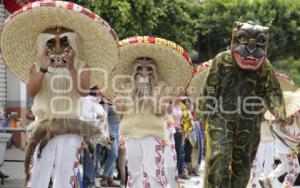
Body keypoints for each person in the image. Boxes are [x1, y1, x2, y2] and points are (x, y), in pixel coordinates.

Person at [0, 2, 118, 187]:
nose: (57, 47)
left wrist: (71, 68)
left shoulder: (81, 65)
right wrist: (43, 69)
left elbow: (83, 91)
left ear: (71, 42)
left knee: (66, 176)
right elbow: (31, 90)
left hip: (71, 127)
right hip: (43, 127)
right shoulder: (37, 65)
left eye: (63, 41)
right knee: (37, 176)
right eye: (51, 42)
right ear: (44, 44)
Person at [199, 21, 286, 188]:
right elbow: (210, 87)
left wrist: (277, 110)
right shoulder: (222, 59)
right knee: (219, 157)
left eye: (259, 42)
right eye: (244, 40)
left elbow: (273, 90)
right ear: (235, 38)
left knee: (243, 165)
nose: (251, 49)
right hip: (221, 117)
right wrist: (203, 112)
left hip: (250, 121)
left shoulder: (265, 66)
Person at [109, 36, 193, 188]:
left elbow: (161, 111)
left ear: (153, 70)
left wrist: (147, 93)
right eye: (140, 68)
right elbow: (119, 108)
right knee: (134, 175)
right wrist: (131, 92)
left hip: (152, 134)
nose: (144, 71)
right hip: (131, 135)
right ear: (134, 70)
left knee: (154, 174)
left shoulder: (160, 87)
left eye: (148, 68)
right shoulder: (127, 86)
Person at [81, 86, 109, 188]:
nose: (102, 91)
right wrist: (97, 116)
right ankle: (88, 182)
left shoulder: (98, 102)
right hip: (89, 134)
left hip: (98, 134)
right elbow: (83, 115)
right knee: (89, 158)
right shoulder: (86, 100)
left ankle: (92, 181)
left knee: (95, 158)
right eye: (100, 89)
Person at [250, 119, 274, 188]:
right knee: (258, 161)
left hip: (271, 138)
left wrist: (273, 119)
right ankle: (255, 182)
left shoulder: (273, 109)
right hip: (259, 138)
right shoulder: (257, 109)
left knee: (270, 162)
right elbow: (258, 119)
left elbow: (275, 120)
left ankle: (267, 181)